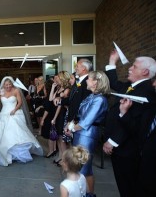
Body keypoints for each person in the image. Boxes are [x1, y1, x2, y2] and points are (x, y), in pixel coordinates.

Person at [103, 50, 156, 197]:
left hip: (127, 149)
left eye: (134, 66)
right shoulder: (133, 86)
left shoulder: (146, 91)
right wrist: (112, 61)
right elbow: (114, 83)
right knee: (123, 185)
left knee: (129, 187)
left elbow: (133, 120)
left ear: (145, 71)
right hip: (121, 148)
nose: (130, 68)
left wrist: (112, 141)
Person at [65, 71, 110, 197]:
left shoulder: (100, 99)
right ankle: (87, 194)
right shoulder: (92, 96)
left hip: (87, 135)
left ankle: (85, 194)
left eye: (89, 79)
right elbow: (80, 115)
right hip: (81, 133)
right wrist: (71, 125)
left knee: (83, 168)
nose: (86, 81)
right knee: (83, 167)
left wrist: (72, 128)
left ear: (95, 82)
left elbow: (86, 121)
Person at [0, 76, 43, 166]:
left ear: (12, 84)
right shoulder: (1, 91)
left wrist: (14, 110)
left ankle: (17, 154)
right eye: (6, 85)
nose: (8, 86)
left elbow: (20, 102)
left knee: (16, 132)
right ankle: (6, 153)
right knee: (1, 132)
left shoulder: (16, 90)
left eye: (9, 85)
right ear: (3, 85)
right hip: (3, 114)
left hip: (14, 113)